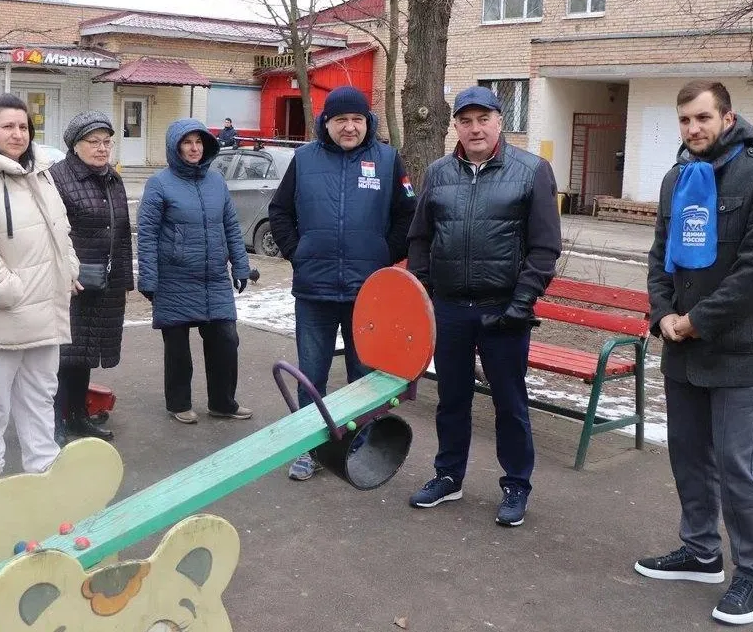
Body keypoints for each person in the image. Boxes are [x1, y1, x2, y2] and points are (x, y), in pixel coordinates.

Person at [637, 80, 753, 626]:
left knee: (736, 467)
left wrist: (696, 321)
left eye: (702, 118)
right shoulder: (676, 179)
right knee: (688, 457)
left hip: (736, 352)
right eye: (684, 120)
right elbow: (660, 256)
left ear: (728, 118)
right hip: (680, 350)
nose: (693, 129)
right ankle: (701, 552)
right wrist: (662, 315)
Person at [405, 85, 560, 528]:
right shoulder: (438, 172)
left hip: (503, 311)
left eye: (483, 119)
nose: (475, 128)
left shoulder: (531, 171)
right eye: (465, 120)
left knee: (510, 404)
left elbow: (545, 246)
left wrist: (522, 302)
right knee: (451, 399)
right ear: (455, 125)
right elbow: (420, 238)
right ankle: (448, 476)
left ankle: (516, 484)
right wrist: (425, 292)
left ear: (499, 122)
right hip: (451, 309)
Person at [267, 86, 416, 481]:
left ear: (368, 122)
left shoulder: (387, 160)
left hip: (368, 294)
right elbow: (279, 211)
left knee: (363, 375)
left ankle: (360, 445)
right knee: (311, 375)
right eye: (340, 120)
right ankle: (311, 449)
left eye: (357, 119)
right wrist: (297, 251)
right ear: (326, 123)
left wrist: (384, 254)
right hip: (314, 291)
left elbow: (408, 214)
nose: (349, 127)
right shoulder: (304, 160)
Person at [0, 94, 80, 478]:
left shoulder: (39, 173)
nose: (17, 134)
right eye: (7, 126)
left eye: (23, 126)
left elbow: (61, 229)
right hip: (1, 321)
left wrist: (69, 269)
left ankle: (44, 479)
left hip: (45, 315)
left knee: (41, 401)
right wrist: (11, 291)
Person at [137, 118, 254, 424]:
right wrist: (148, 278)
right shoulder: (159, 184)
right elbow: (147, 233)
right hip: (174, 277)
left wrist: (241, 265)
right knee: (177, 349)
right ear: (175, 147)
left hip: (214, 277)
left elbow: (230, 225)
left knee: (226, 341)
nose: (194, 148)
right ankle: (179, 403)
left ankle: (222, 402)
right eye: (187, 143)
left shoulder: (216, 182)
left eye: (199, 142)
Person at [49, 111, 134, 442]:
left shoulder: (112, 178)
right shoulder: (58, 179)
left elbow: (123, 231)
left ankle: (78, 416)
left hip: (104, 283)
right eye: (94, 142)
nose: (102, 148)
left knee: (84, 354)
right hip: (72, 283)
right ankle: (55, 422)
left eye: (107, 141)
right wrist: (65, 274)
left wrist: (125, 280)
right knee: (62, 356)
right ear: (75, 145)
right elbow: (53, 235)